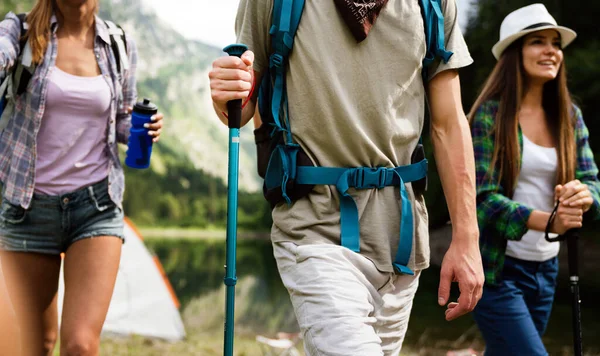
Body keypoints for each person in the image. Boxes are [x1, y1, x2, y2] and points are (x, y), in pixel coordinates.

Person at [210, 0, 484, 354]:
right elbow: (242, 105)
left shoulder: (433, 4)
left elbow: (449, 123)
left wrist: (467, 238)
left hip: (402, 241)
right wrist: (226, 93)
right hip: (315, 226)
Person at [0, 0, 164, 354]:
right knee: (36, 344)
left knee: (80, 345)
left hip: (96, 205)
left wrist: (143, 129)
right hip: (29, 207)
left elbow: (121, 121)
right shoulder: (21, 31)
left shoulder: (119, 44)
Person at [468, 4, 600, 355]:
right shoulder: (490, 115)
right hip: (497, 271)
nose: (551, 51)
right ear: (515, 53)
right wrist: (550, 221)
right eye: (538, 42)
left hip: (546, 269)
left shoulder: (569, 117)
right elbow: (482, 199)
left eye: (555, 43)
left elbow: (592, 181)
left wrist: (582, 195)